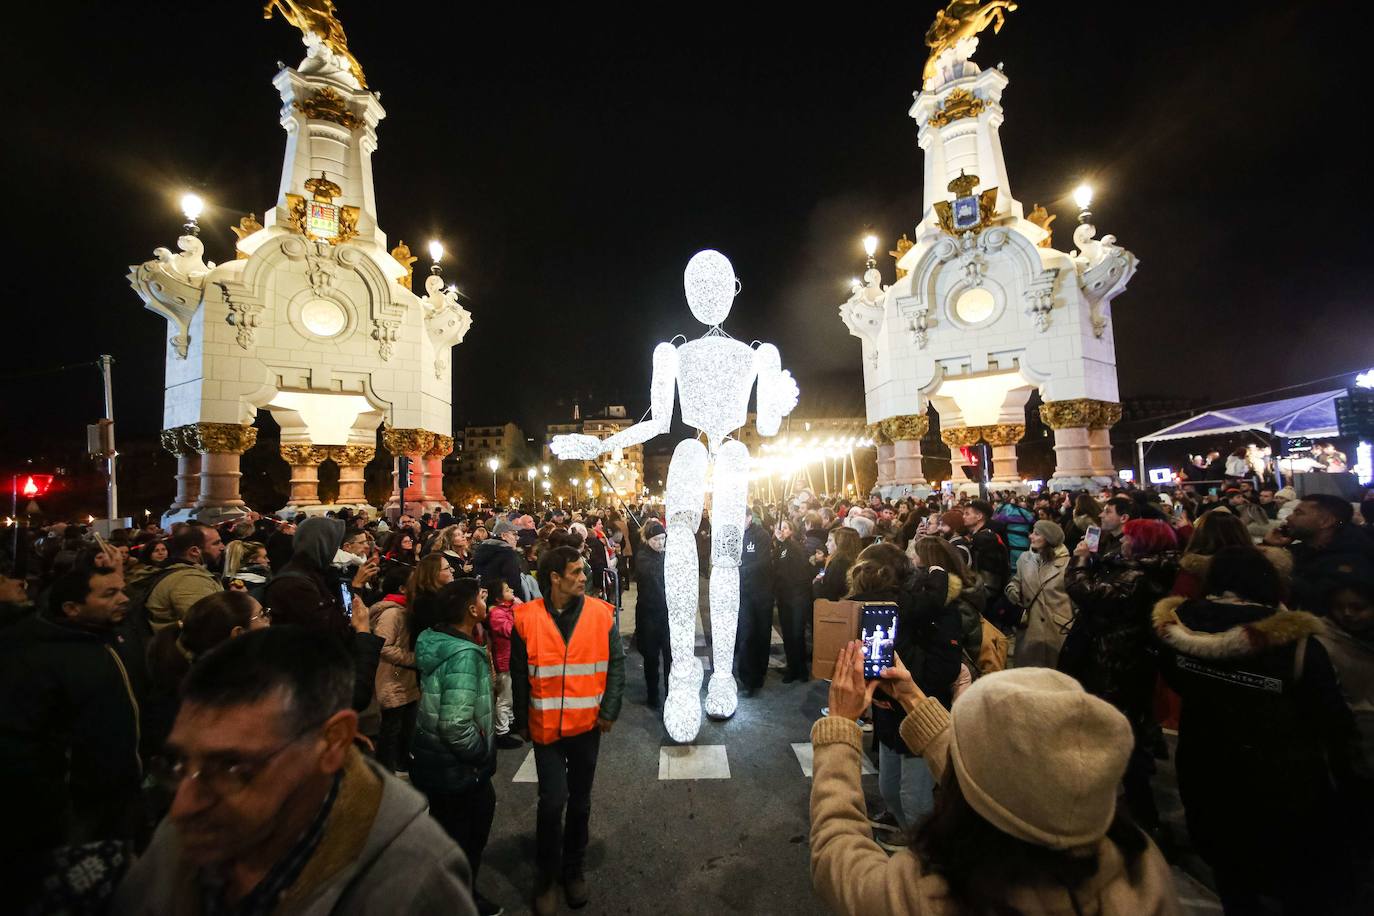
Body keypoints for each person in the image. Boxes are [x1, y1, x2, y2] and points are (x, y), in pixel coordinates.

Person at [112, 627, 477, 915]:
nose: (182, 807)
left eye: (233, 767)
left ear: (334, 742)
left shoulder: (412, 880)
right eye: (177, 764)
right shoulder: (185, 835)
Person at [809, 642, 1175, 915]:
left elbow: (837, 851)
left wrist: (840, 730)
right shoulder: (1142, 872)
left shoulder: (932, 895)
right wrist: (911, 697)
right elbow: (995, 776)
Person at [1153, 546, 1349, 913]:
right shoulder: (1294, 640)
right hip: (1282, 767)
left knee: (1228, 865)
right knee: (1293, 873)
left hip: (1205, 756)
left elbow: (1174, 679)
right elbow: (1329, 713)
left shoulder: (1178, 624)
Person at [1, 564, 143, 914]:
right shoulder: (40, 656)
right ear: (72, 609)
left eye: (121, 590)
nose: (123, 599)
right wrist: (59, 803)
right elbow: (24, 743)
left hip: (122, 793)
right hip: (77, 810)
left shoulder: (109, 635)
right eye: (109, 594)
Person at [511, 545, 625, 916]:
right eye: (575, 572)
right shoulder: (525, 618)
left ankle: (572, 868)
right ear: (554, 578)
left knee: (579, 801)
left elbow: (617, 665)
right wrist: (522, 720)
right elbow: (517, 674)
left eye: (582, 571)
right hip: (544, 726)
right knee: (552, 801)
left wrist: (609, 709)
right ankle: (546, 877)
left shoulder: (601, 614)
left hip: (587, 725)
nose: (583, 577)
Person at [1062, 518, 1178, 835]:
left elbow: (1085, 591)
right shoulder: (1134, 568)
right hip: (1112, 655)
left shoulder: (1140, 577)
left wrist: (1082, 559)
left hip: (1118, 659)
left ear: (1142, 544)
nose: (1122, 541)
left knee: (1121, 731)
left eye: (1128, 538)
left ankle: (1139, 818)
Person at [847, 545, 960, 837]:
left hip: (919, 714)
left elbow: (941, 671)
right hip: (888, 718)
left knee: (915, 799)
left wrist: (898, 688)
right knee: (889, 788)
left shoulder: (930, 612)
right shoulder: (866, 611)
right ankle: (905, 830)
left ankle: (920, 857)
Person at [409, 579, 503, 916]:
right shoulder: (464, 656)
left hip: (432, 760)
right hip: (456, 767)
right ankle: (460, 901)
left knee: (446, 834)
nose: (486, 600)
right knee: (465, 838)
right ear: (469, 609)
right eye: (480, 597)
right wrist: (482, 753)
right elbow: (455, 724)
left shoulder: (437, 640)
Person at [264, 517, 384, 713]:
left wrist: (351, 586)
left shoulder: (316, 574)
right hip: (312, 684)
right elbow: (337, 625)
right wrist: (355, 587)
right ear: (322, 545)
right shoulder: (295, 585)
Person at [144, 591, 270, 759]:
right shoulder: (211, 699)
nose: (269, 621)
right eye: (262, 616)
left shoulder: (224, 680)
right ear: (239, 634)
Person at [371, 557, 451, 774]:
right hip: (394, 677)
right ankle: (385, 776)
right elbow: (382, 646)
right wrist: (413, 658)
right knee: (392, 730)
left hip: (404, 678)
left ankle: (403, 766)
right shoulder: (392, 612)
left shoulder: (405, 608)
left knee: (406, 727)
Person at [1265, 494, 1374, 614]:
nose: (1289, 518)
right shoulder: (1302, 550)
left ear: (1326, 522)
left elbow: (1320, 602)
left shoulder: (1353, 559)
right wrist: (1269, 546)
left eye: (1299, 513)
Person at [1005, 520, 1073, 668]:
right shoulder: (1024, 559)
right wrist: (1012, 589)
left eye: (1036, 534)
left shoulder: (1068, 565)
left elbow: (1076, 600)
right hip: (1030, 628)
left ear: (1048, 539)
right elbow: (1017, 580)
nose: (1030, 536)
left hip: (1057, 631)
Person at [144, 526, 224, 633]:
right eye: (216, 543)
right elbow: (210, 627)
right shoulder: (189, 580)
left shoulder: (182, 573)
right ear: (194, 551)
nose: (222, 547)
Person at [735, 510, 775, 697]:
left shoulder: (762, 536)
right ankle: (746, 676)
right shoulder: (735, 534)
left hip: (762, 594)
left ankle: (759, 673)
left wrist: (742, 570)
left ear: (749, 518)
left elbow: (764, 562)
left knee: (761, 634)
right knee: (746, 633)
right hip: (744, 596)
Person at [634, 518, 672, 706]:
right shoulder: (643, 557)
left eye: (662, 539)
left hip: (666, 615)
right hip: (648, 615)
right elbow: (651, 573)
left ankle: (670, 693)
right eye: (655, 539)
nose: (660, 543)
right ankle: (653, 695)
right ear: (648, 540)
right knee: (651, 657)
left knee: (669, 656)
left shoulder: (665, 555)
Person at [483, 575, 524, 749]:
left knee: (512, 695)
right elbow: (512, 630)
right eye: (507, 590)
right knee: (504, 698)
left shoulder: (508, 608)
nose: (512, 592)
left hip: (513, 659)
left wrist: (515, 603)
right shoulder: (496, 614)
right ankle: (501, 732)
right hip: (505, 661)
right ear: (498, 598)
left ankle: (510, 723)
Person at [773, 517, 814, 683]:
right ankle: (793, 667)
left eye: (785, 528)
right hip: (784, 598)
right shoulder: (781, 547)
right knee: (788, 634)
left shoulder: (794, 546)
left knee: (797, 634)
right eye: (779, 528)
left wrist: (784, 541)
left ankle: (801, 669)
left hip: (797, 597)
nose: (782, 531)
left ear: (791, 531)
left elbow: (795, 564)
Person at [473, 520, 526, 602]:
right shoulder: (508, 553)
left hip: (486, 601)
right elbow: (514, 582)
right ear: (504, 535)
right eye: (514, 534)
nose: (517, 538)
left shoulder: (481, 550)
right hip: (505, 602)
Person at [961, 499, 1007, 593]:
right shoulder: (980, 536)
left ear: (979, 516)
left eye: (967, 514)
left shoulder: (985, 539)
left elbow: (989, 575)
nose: (963, 517)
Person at [814, 526, 861, 601]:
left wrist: (817, 583)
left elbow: (829, 594)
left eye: (830, 540)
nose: (826, 544)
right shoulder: (858, 560)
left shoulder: (838, 563)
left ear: (840, 543)